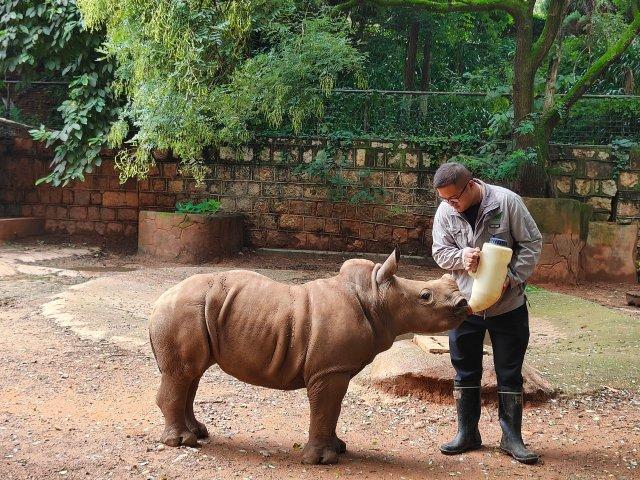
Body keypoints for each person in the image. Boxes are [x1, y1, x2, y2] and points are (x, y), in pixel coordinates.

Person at [431, 162, 542, 464]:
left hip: (508, 305)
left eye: (454, 198)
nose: (450, 205)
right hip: (464, 305)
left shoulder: (506, 202)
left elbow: (532, 243)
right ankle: (467, 433)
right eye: (443, 200)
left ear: (470, 186)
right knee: (465, 368)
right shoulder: (445, 212)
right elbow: (440, 252)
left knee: (509, 371)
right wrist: (460, 256)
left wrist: (513, 277)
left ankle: (511, 438)